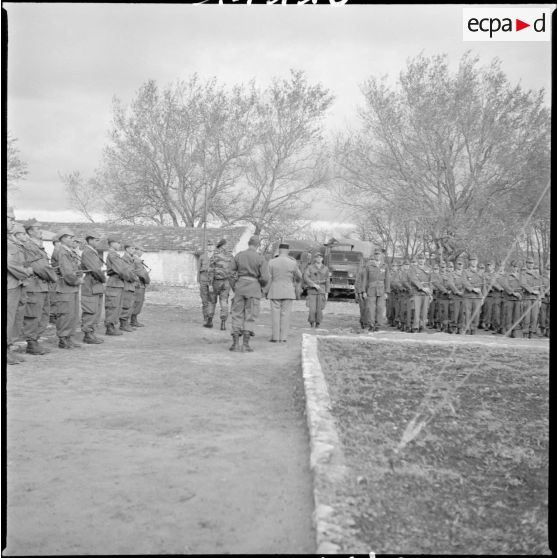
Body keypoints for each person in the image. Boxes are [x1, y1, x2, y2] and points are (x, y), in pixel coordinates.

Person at [22, 219, 57, 355]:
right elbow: (40, 267)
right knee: (33, 315)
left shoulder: (38, 246)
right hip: (34, 286)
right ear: (30, 231)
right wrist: (53, 276)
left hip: (43, 286)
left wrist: (50, 274)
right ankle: (31, 343)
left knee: (43, 315)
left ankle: (35, 341)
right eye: (37, 228)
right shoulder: (28, 246)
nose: (40, 230)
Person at [228, 235, 269, 352]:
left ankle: (235, 344)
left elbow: (230, 273)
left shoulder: (239, 255)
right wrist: (259, 285)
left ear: (248, 243)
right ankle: (245, 345)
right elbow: (265, 278)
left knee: (236, 314)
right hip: (254, 289)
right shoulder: (260, 258)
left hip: (240, 287)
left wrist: (235, 286)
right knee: (250, 316)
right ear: (258, 245)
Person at [7, 212, 34, 364]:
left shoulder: (11, 241)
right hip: (10, 284)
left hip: (15, 284)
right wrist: (26, 272)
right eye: (10, 219)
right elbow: (9, 263)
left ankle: (8, 348)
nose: (12, 222)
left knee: (13, 319)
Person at [264, 243, 302, 342]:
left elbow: (268, 278)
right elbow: (300, 276)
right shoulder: (292, 263)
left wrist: (265, 291)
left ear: (279, 250)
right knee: (286, 315)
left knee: (275, 315)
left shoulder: (271, 262)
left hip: (275, 290)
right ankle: (283, 337)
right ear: (288, 251)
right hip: (288, 291)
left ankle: (275, 337)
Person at [55, 229, 84, 349]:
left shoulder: (69, 251)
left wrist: (78, 275)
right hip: (65, 287)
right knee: (66, 314)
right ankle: (63, 339)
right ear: (63, 238)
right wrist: (77, 280)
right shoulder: (62, 252)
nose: (73, 240)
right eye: (70, 238)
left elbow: (75, 268)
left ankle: (69, 338)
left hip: (71, 288)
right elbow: (67, 272)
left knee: (73, 314)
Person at [104, 237, 135, 336]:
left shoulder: (115, 255)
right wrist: (131, 277)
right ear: (112, 243)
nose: (119, 245)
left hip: (118, 283)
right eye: (118, 242)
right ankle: (110, 327)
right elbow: (121, 270)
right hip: (114, 283)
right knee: (112, 306)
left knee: (117, 306)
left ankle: (112, 326)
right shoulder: (113, 255)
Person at [80, 233, 106, 344]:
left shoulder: (92, 252)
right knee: (90, 310)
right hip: (91, 283)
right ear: (89, 240)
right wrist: (104, 279)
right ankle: (88, 334)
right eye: (96, 240)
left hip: (96, 284)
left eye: (98, 240)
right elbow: (95, 269)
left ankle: (91, 333)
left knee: (96, 310)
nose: (98, 242)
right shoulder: (88, 252)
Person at [360, 249, 390, 332]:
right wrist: (364, 291)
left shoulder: (385, 266)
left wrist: (387, 292)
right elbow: (365, 280)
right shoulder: (368, 266)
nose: (377, 256)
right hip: (371, 289)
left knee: (380, 308)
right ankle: (371, 324)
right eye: (376, 254)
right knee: (371, 308)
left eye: (379, 254)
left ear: (381, 256)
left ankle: (378, 325)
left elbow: (387, 279)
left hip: (381, 290)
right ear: (374, 256)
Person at [208, 238, 233, 331]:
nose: (227, 246)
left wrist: (210, 284)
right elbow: (233, 271)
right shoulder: (230, 256)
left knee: (212, 301)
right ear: (223, 245)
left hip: (216, 282)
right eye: (226, 245)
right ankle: (223, 323)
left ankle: (210, 321)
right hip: (226, 282)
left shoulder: (214, 256)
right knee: (224, 302)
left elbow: (210, 271)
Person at [304, 252, 330, 329]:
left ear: (322, 258)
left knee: (319, 309)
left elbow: (327, 280)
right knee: (312, 309)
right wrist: (313, 285)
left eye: (320, 257)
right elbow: (306, 278)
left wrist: (327, 292)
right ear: (315, 258)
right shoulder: (310, 267)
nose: (319, 258)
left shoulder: (326, 268)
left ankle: (318, 324)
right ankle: (312, 323)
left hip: (321, 291)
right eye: (317, 257)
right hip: (312, 291)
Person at [406, 253, 430, 333]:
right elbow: (414, 279)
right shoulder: (413, 269)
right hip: (417, 292)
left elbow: (431, 282)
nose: (421, 260)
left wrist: (431, 293)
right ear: (417, 260)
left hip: (426, 293)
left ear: (425, 260)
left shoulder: (428, 269)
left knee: (424, 311)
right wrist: (422, 288)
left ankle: (422, 327)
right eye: (420, 259)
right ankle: (415, 327)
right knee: (416, 310)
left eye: (423, 259)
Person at [461, 255, 485, 335]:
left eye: (475, 260)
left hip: (478, 297)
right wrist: (472, 289)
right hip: (468, 296)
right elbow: (464, 282)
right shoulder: (465, 271)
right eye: (472, 260)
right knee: (467, 313)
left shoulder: (481, 272)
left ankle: (474, 329)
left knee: (476, 314)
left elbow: (484, 285)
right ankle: (467, 329)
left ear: (477, 262)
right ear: (469, 262)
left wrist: (483, 297)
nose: (474, 262)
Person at [500, 260, 523, 338]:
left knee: (516, 316)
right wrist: (513, 293)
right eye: (513, 266)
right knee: (508, 316)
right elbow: (505, 285)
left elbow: (523, 286)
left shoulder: (520, 276)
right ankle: (507, 331)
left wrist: (521, 294)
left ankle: (514, 332)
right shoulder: (506, 275)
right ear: (510, 267)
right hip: (509, 298)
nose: (515, 268)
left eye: (516, 266)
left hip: (518, 299)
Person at [520, 257, 541, 339]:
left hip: (535, 298)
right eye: (529, 263)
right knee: (527, 316)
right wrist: (532, 291)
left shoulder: (537, 275)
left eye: (532, 263)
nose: (530, 264)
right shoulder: (523, 274)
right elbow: (523, 284)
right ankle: (525, 333)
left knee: (534, 317)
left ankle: (532, 333)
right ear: (526, 264)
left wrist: (540, 299)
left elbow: (540, 287)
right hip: (527, 297)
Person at [120, 244, 139, 332]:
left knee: (129, 304)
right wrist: (135, 278)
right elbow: (127, 272)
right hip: (127, 284)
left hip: (131, 284)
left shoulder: (131, 259)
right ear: (127, 249)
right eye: (132, 248)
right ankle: (123, 324)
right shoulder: (124, 259)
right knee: (126, 304)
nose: (134, 250)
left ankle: (126, 323)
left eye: (134, 248)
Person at [131, 245, 151, 327]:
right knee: (137, 302)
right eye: (141, 250)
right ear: (136, 250)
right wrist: (147, 280)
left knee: (137, 302)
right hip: (138, 284)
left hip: (138, 284)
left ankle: (133, 319)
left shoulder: (135, 259)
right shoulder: (136, 260)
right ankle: (133, 320)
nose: (142, 252)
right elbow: (142, 273)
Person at [198, 240, 216, 327]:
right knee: (204, 300)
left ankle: (210, 319)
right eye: (208, 245)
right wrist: (199, 280)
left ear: (214, 247)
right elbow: (198, 269)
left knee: (212, 300)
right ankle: (205, 319)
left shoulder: (217, 257)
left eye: (211, 245)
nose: (210, 247)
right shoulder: (202, 257)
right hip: (203, 278)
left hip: (213, 281)